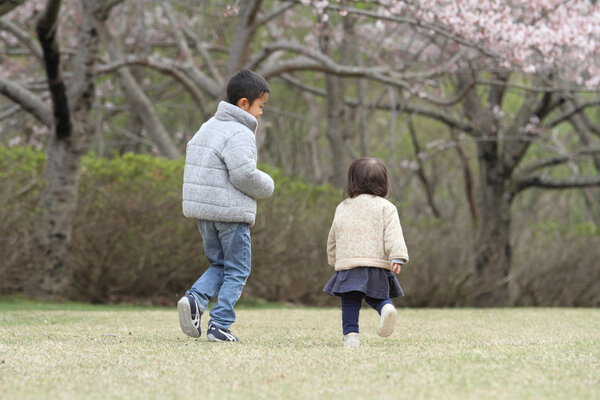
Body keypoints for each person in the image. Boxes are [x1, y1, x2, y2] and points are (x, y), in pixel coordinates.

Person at [178, 69, 274, 342]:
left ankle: (195, 298)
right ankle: (220, 324)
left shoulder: (207, 127)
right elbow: (243, 174)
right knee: (237, 269)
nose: (261, 113)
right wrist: (268, 184)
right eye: (261, 106)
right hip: (231, 214)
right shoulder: (239, 132)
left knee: (218, 264)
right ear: (244, 104)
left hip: (205, 214)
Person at [324, 157, 409, 348]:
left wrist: (334, 259)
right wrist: (397, 256)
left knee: (350, 301)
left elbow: (333, 235)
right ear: (384, 182)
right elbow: (393, 234)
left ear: (352, 181)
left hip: (349, 263)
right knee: (376, 295)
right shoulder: (386, 207)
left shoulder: (343, 206)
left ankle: (351, 336)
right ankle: (386, 307)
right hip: (376, 263)